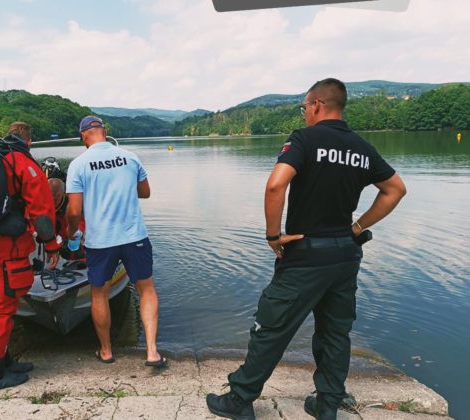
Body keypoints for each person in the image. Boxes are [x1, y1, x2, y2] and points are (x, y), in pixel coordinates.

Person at [206, 78, 407, 420]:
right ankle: (327, 405)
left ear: (316, 105)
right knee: (335, 331)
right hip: (345, 254)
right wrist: (357, 226)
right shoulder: (361, 147)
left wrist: (273, 236)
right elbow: (395, 190)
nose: (304, 114)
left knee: (271, 326)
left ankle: (240, 400)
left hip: (305, 255)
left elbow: (275, 185)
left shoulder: (304, 139)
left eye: (304, 108)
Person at [0, 122, 61, 392]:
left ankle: (3, 359)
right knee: (1, 309)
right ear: (29, 142)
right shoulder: (21, 162)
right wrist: (51, 246)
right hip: (3, 253)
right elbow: (42, 211)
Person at [65, 116, 166, 367]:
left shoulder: (78, 164)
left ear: (83, 136)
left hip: (100, 241)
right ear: (104, 132)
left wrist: (70, 232)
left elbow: (74, 211)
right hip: (134, 236)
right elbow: (145, 192)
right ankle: (152, 352)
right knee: (146, 289)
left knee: (99, 294)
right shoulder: (130, 157)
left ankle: (107, 351)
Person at [49, 177, 85, 260]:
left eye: (54, 198)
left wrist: (75, 233)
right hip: (57, 239)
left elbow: (81, 221)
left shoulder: (73, 202)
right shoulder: (42, 202)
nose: (51, 201)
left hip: (75, 238)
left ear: (61, 194)